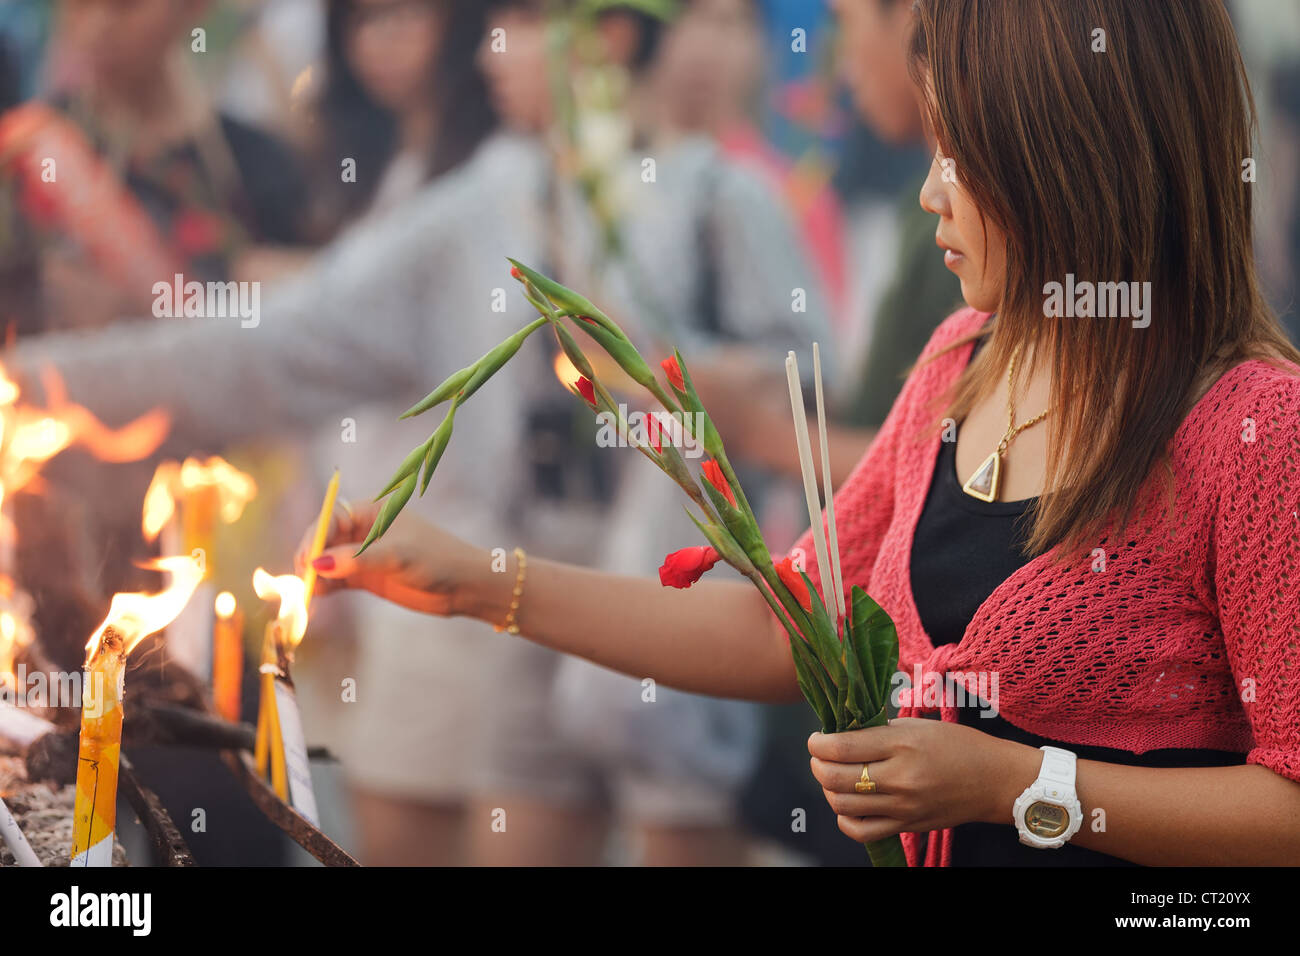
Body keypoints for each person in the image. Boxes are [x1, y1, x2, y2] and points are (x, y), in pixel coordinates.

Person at [299, 0, 1300, 866]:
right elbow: (783, 623)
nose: (928, 191)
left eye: (962, 156)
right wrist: (479, 582)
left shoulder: (1253, 430)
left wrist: (1013, 784)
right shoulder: (965, 362)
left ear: (1075, 165)